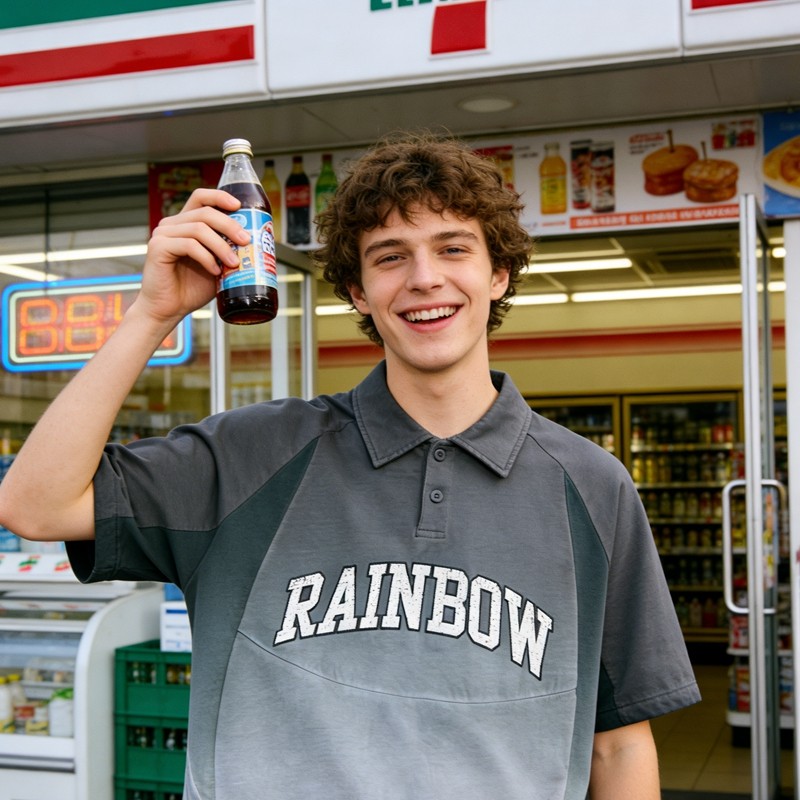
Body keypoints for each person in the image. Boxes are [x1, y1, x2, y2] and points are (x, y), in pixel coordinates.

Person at [0, 131, 699, 799]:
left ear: (498, 273)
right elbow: (35, 504)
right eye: (390, 256)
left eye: (452, 248)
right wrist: (153, 314)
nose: (425, 279)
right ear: (359, 292)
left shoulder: (591, 485)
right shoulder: (253, 456)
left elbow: (620, 742)